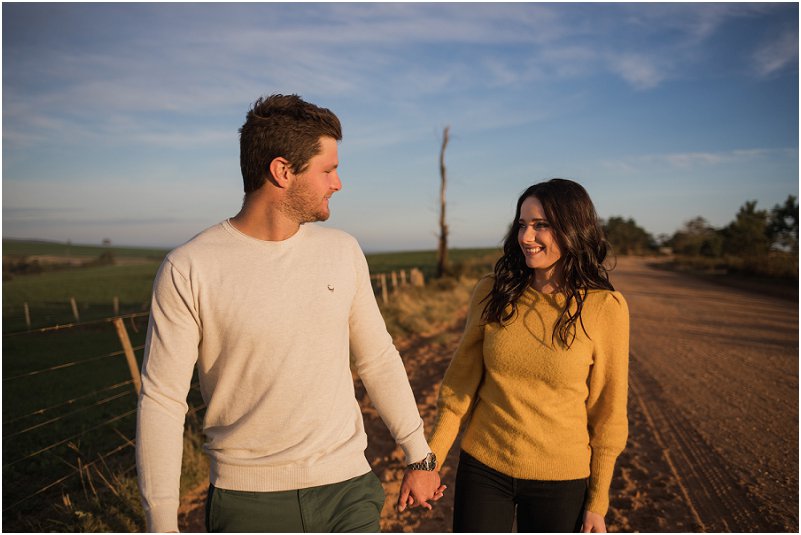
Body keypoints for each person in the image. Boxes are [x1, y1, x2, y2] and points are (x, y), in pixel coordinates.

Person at [136, 94, 444, 533]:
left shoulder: (342, 251)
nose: (338, 183)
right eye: (327, 170)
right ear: (283, 171)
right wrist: (162, 525)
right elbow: (162, 402)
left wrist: (419, 455)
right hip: (248, 504)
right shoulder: (189, 268)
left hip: (348, 491)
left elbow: (377, 358)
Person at [401, 179, 629, 532]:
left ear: (573, 229)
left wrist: (598, 502)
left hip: (561, 480)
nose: (526, 237)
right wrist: (428, 463)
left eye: (541, 225)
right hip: (483, 468)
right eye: (522, 224)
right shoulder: (493, 292)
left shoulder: (604, 308)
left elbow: (607, 413)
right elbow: (458, 389)